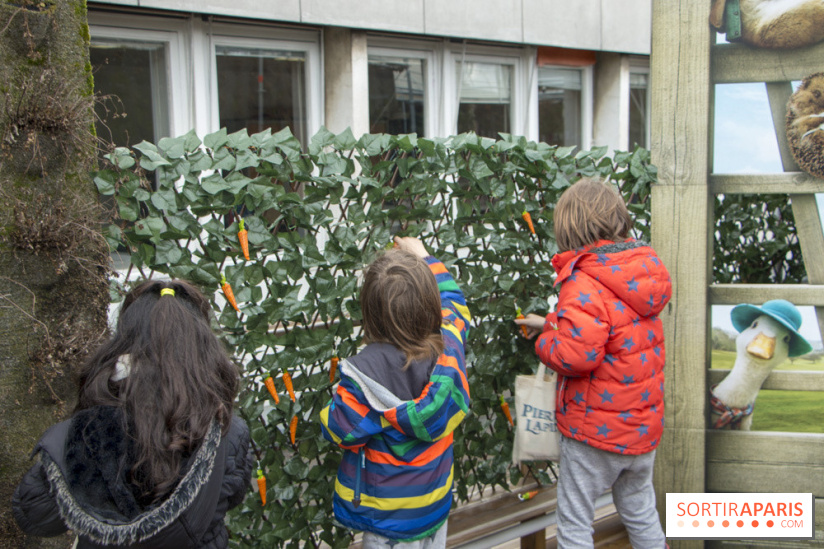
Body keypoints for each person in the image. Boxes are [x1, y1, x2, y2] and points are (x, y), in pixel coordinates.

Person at [12, 280, 252, 549]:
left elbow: (34, 515)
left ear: (122, 345)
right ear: (202, 350)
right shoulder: (229, 432)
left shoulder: (85, 434)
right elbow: (232, 495)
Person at [515, 178, 671, 549]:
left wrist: (545, 341)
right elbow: (612, 329)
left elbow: (577, 354)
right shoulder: (641, 272)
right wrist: (553, 322)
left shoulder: (582, 279)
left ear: (570, 227)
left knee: (574, 521)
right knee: (640, 510)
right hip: (641, 430)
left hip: (594, 432)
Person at [320, 236, 471, 548]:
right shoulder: (450, 344)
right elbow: (455, 303)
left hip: (387, 521)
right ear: (431, 304)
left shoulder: (364, 378)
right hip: (434, 506)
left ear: (370, 314)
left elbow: (339, 431)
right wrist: (426, 256)